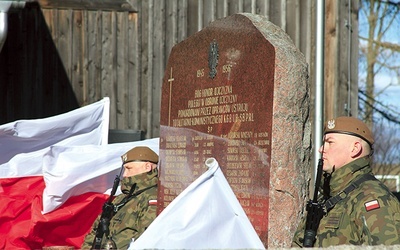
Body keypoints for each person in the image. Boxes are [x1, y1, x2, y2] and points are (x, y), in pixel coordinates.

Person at [292, 116, 400, 247]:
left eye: (330, 142)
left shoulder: (373, 198)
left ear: (355, 149)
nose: (321, 149)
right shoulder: (325, 197)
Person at [82, 146, 159, 249]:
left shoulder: (153, 198)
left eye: (129, 168)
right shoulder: (120, 199)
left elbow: (146, 240)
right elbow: (96, 232)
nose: (125, 174)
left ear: (147, 167)